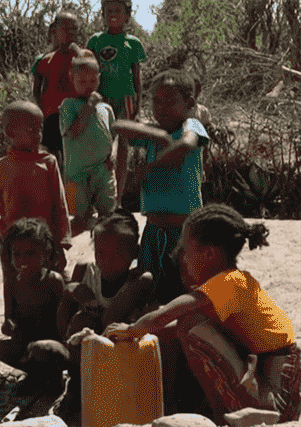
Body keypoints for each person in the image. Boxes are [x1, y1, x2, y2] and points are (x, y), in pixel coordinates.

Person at [105, 204, 301, 425]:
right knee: (188, 327)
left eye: (187, 254)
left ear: (208, 254)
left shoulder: (226, 283)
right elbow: (169, 327)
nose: (184, 261)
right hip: (278, 381)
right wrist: (143, 335)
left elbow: (166, 315)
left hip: (277, 393)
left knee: (191, 325)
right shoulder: (234, 284)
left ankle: (231, 411)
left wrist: (131, 330)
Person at [111, 69, 209, 305]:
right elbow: (117, 126)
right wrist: (157, 135)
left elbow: (184, 146)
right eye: (156, 101)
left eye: (169, 101)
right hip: (153, 230)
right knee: (150, 290)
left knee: (184, 292)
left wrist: (153, 165)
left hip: (184, 232)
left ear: (189, 103)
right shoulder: (156, 133)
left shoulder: (192, 125)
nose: (161, 107)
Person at [0, 101, 72, 277]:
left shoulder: (48, 163)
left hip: (45, 242)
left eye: (40, 128)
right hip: (12, 244)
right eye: (32, 129)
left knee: (49, 283)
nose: (38, 134)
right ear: (9, 131)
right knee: (14, 286)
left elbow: (60, 204)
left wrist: (62, 243)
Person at [0, 217, 69, 394]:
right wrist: (10, 326)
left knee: (41, 349)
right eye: (17, 254)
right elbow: (8, 321)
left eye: (30, 253)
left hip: (53, 347)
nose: (22, 259)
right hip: (27, 346)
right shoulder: (12, 285)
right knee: (0, 349)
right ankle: (36, 376)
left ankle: (53, 377)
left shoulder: (52, 281)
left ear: (45, 253)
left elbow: (66, 322)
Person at [57, 209, 153, 341]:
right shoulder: (84, 270)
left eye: (116, 254)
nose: (107, 261)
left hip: (117, 351)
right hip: (83, 346)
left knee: (84, 320)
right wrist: (70, 292)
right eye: (101, 253)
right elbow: (66, 311)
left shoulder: (138, 280)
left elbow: (110, 320)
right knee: (81, 320)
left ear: (135, 251)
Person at [59, 49, 127, 234]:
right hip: (76, 172)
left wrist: (112, 154)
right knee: (79, 216)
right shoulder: (68, 106)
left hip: (102, 169)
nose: (89, 86)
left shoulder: (106, 108)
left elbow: (114, 135)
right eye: (82, 81)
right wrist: (89, 106)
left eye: (93, 81)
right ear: (72, 79)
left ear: (99, 78)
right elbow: (72, 132)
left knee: (107, 212)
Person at [31, 11, 81, 172]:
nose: (69, 32)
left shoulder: (81, 56)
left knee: (72, 153)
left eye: (73, 29)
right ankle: (55, 185)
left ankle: (70, 188)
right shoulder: (44, 59)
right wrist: (42, 110)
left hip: (75, 113)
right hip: (52, 114)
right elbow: (37, 89)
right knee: (53, 153)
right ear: (54, 30)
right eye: (64, 28)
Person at [86, 0, 147, 123]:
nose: (113, 14)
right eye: (109, 11)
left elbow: (136, 76)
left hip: (125, 97)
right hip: (101, 96)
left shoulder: (133, 43)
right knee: (103, 132)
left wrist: (138, 104)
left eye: (118, 11)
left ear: (127, 16)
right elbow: (87, 70)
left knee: (124, 132)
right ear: (103, 15)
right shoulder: (95, 41)